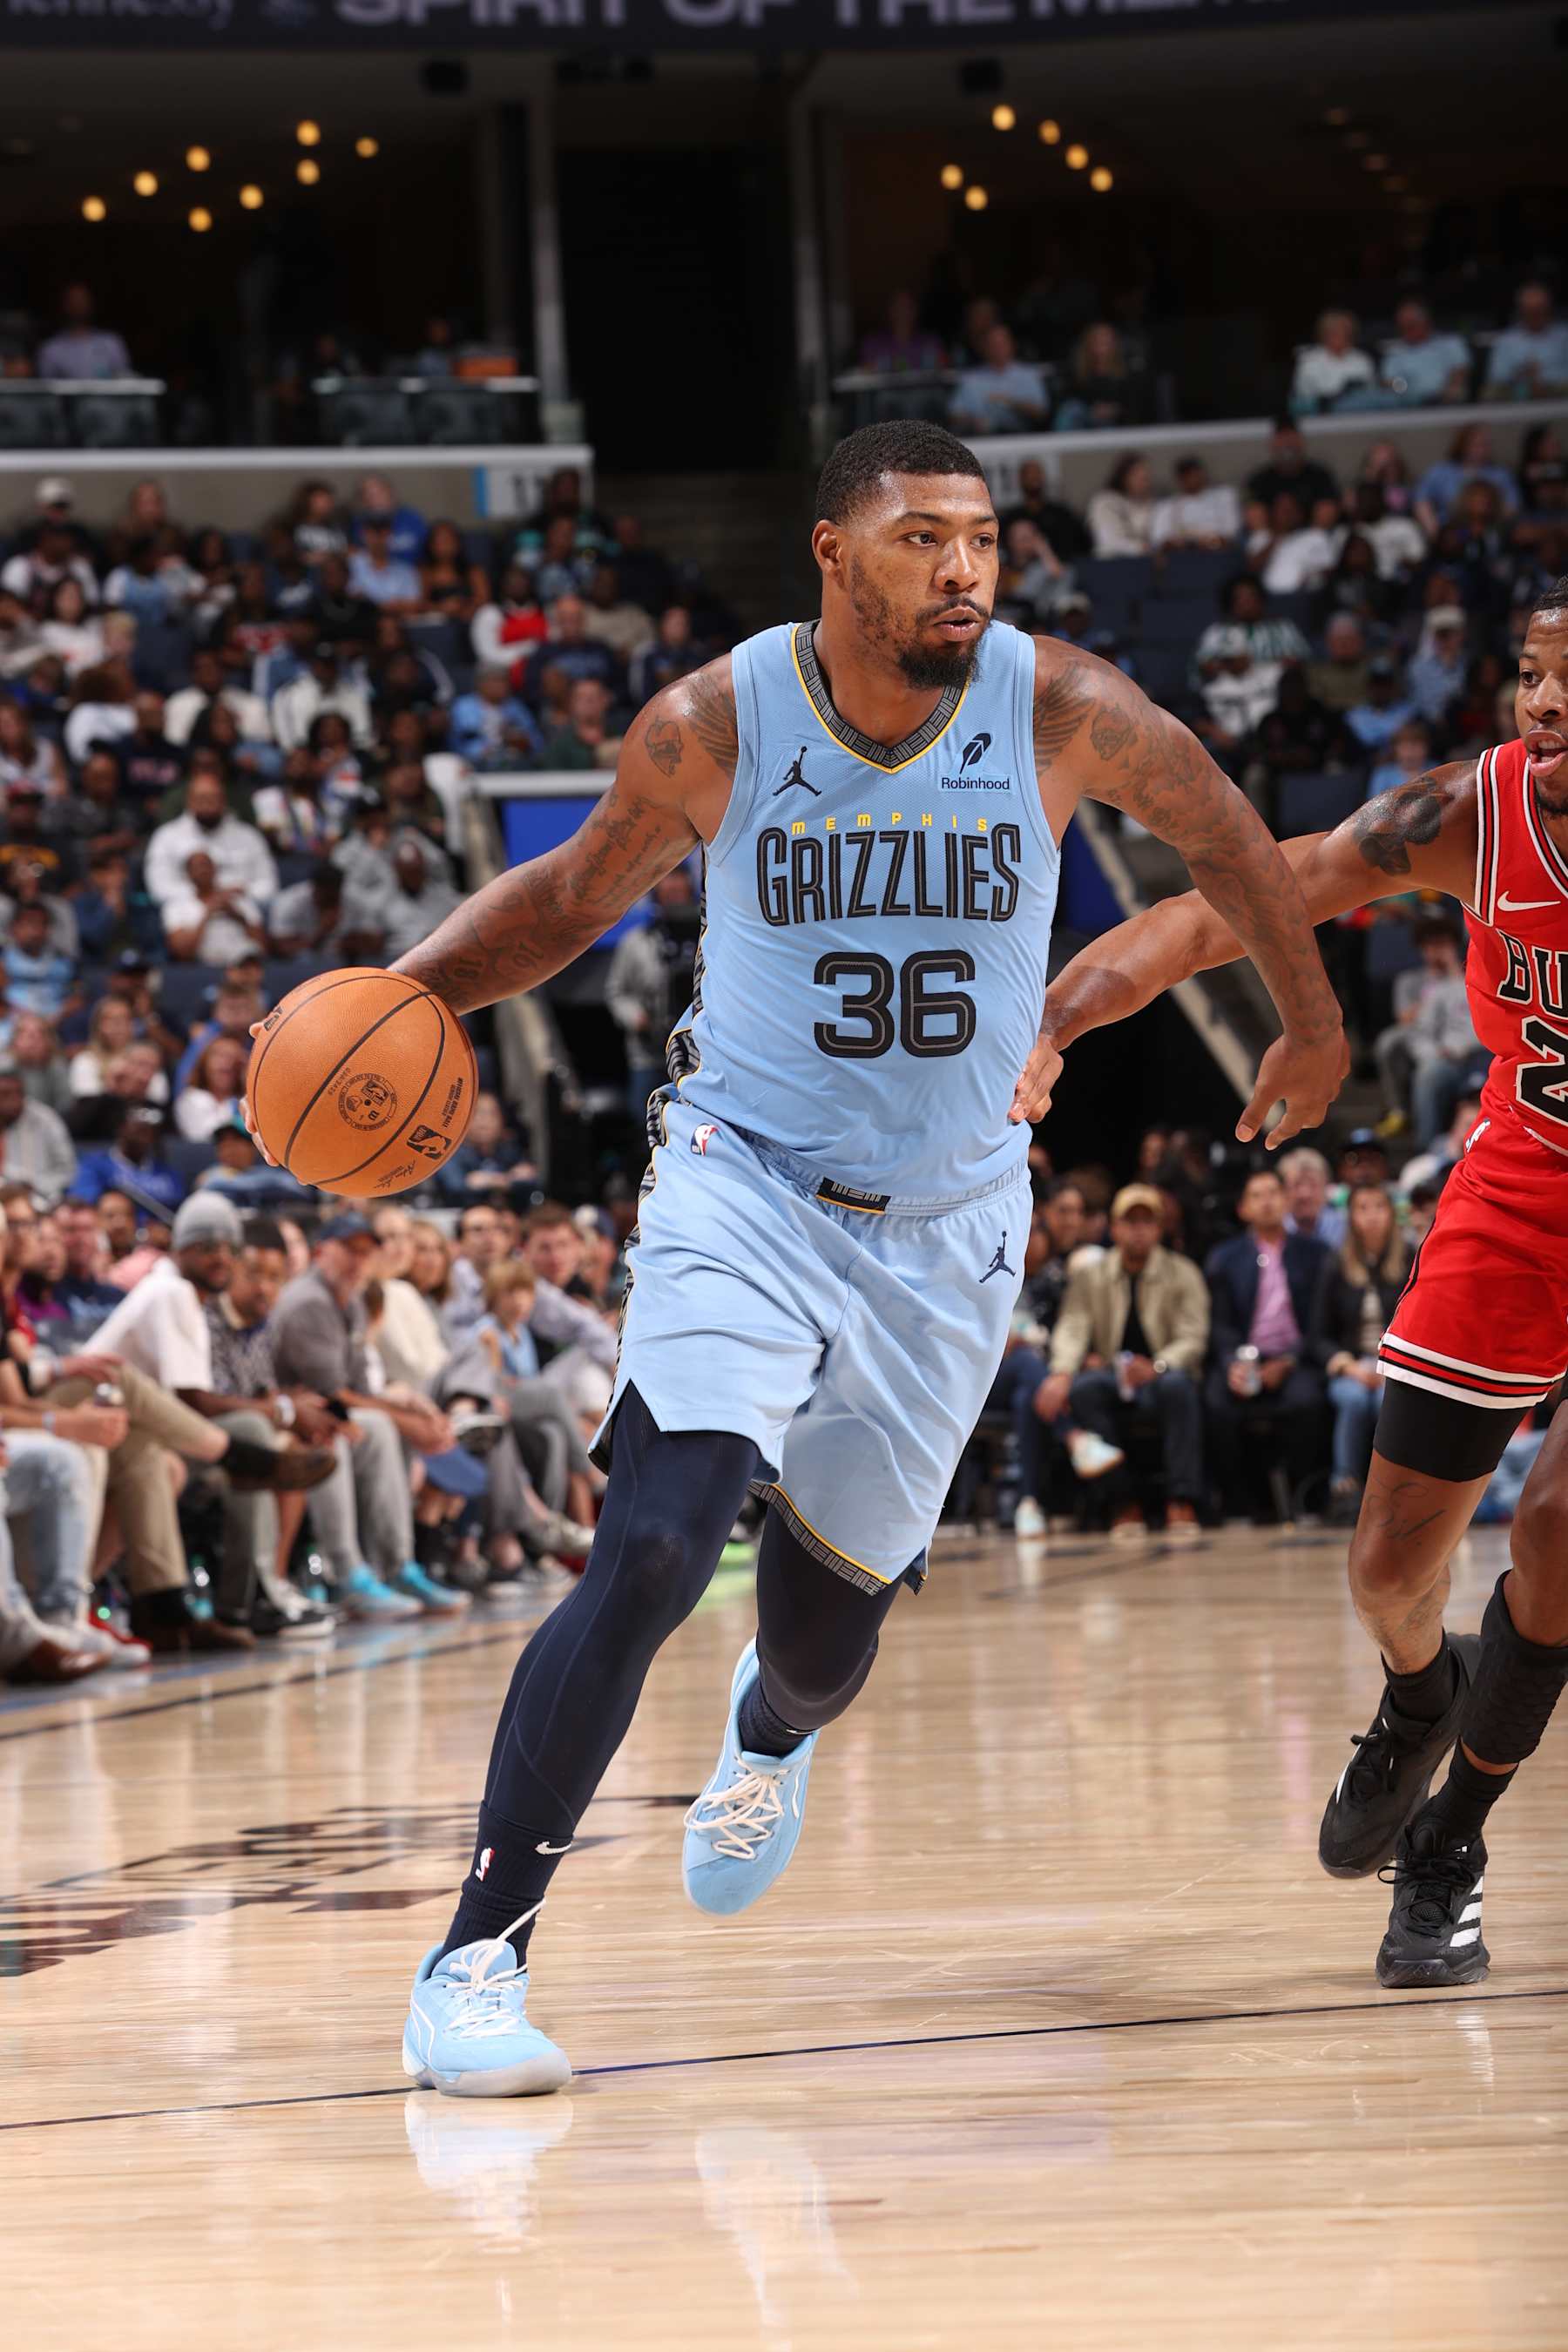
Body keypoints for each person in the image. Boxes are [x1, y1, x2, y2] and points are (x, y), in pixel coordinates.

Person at [251, 416, 1342, 2094]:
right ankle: (477, 1954)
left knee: (827, 1642)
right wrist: (399, 1000)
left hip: (952, 1226)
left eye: (981, 536)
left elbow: (1228, 842)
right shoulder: (717, 721)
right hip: (742, 1182)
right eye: (921, 537)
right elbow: (566, 899)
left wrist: (1312, 1023)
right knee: (659, 1545)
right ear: (833, 554)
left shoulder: (1062, 708)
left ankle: (767, 1732)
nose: (963, 565)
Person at [1030, 576, 1568, 1988]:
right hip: (1524, 1189)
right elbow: (1248, 897)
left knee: (1562, 1548)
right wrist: (1068, 1011)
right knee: (1392, 1564)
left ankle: (1451, 1840)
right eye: (1530, 674)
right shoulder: (1468, 811)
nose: (1547, 702)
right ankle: (1418, 1692)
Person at [92, 1193, 337, 1639]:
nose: (220, 1257)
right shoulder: (171, 1290)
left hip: (137, 1432)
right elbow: (194, 1400)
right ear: (179, 1249)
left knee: (247, 1443)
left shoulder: (187, 1294)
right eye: (206, 1247)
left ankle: (240, 1603)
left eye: (228, 1248)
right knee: (251, 1436)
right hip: (100, 1425)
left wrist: (279, 1407)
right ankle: (246, 1599)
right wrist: (276, 1412)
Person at [268, 1213, 466, 1621]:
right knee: (355, 1429)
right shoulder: (308, 1302)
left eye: (366, 1251)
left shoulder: (354, 1299)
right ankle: (346, 1574)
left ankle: (397, 1567)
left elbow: (362, 1390)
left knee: (379, 1426)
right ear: (322, 1252)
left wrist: (412, 1411)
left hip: (326, 1413)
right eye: (349, 1250)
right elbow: (333, 1396)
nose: (359, 1260)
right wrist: (405, 1421)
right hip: (288, 1416)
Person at [1038, 1183, 1208, 1545]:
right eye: (1130, 1222)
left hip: (1163, 1374)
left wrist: (1159, 1365)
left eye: (1147, 1222)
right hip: (1114, 1376)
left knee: (1178, 1387)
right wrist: (1063, 1372)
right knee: (1084, 1391)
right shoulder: (1091, 1277)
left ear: (1159, 1229)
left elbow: (1193, 1336)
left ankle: (1181, 1500)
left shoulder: (1183, 1273)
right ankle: (1122, 1501)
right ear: (1114, 1228)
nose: (1138, 1230)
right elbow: (1072, 1328)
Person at [1201, 1167, 1331, 1518]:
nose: (1268, 1202)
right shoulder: (1225, 1258)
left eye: (1274, 1192)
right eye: (1257, 1195)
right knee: (1216, 1402)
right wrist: (1233, 1364)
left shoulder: (1316, 1254)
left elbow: (1320, 1324)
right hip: (1245, 1359)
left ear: (1288, 1200)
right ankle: (1238, 1502)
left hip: (1297, 1358)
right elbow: (1221, 1325)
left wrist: (1289, 1360)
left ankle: (1304, 1496)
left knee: (1307, 1401)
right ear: (1243, 1208)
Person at [1320, 1183, 1409, 1517]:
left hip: (1396, 1364)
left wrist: (1389, 1364)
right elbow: (1317, 1335)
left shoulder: (1411, 1260)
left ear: (1392, 1213)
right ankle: (1344, 1486)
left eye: (1379, 1207)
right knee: (1355, 1399)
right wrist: (1348, 1366)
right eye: (1363, 1208)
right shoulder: (1335, 1264)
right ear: (1351, 1217)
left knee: (1388, 1400)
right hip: (1351, 1366)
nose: (1372, 1216)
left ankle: (1397, 1491)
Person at [605, 868, 703, 1113]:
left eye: (679, 886)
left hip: (700, 1052)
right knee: (648, 1122)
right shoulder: (636, 941)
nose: (674, 892)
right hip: (649, 1053)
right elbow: (616, 991)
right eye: (667, 888)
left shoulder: (708, 937)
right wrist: (637, 1018)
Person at [947, 325, 1049, 437]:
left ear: (1012, 345)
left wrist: (1012, 403)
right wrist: (973, 421)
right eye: (993, 345)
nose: (998, 349)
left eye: (1002, 344)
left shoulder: (1029, 374)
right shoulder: (970, 379)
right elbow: (954, 416)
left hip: (1022, 439)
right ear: (984, 348)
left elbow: (1042, 413)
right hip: (982, 441)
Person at [0, 1059, 75, 1200]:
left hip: (39, 1198)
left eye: (18, 1093)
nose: (13, 1100)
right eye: (5, 1094)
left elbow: (67, 1170)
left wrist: (35, 1185)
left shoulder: (45, 1120)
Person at [1377, 299, 1472, 409]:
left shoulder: (1451, 343)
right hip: (1408, 405)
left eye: (1411, 326)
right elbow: (1389, 383)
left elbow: (1460, 372)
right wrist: (1401, 388)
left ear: (1426, 322)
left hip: (1447, 403)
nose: (1406, 331)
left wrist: (1449, 394)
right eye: (1402, 327)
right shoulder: (1394, 353)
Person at [1484, 281, 1568, 402]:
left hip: (1559, 396)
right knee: (1492, 393)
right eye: (1530, 310)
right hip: (1516, 395)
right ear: (1521, 311)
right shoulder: (1506, 340)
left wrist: (1541, 380)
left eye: (1539, 309)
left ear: (1549, 309)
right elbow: (1496, 377)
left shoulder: (1564, 337)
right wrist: (1522, 375)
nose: (1535, 314)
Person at [1290, 309, 1377, 414]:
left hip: (1358, 415)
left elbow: (1370, 392)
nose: (1340, 336)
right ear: (1324, 334)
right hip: (1319, 417)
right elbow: (1303, 394)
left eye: (1345, 332)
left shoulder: (1362, 360)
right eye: (1335, 332)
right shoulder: (1308, 360)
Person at [1280, 1146, 1345, 1251]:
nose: (1305, 1194)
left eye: (1313, 1185)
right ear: (1283, 1190)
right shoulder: (1274, 1231)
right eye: (1297, 1185)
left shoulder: (1345, 1228)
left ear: (1326, 1187)